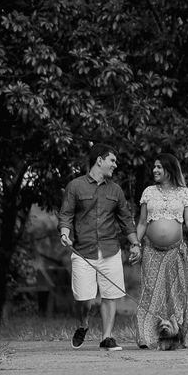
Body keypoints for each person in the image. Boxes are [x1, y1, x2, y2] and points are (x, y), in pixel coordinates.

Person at [58, 143, 142, 352]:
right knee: (83, 299)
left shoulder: (115, 190)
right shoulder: (75, 186)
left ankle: (107, 337)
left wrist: (135, 244)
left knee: (110, 295)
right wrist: (64, 234)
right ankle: (83, 324)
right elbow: (66, 215)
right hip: (83, 250)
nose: (115, 164)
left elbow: (126, 220)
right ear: (99, 160)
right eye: (112, 160)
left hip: (110, 249)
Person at [135, 153, 188, 349]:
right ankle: (146, 337)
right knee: (149, 291)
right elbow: (141, 223)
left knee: (176, 294)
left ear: (170, 170)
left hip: (175, 251)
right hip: (151, 251)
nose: (154, 170)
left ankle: (176, 336)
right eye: (154, 167)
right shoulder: (148, 192)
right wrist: (135, 244)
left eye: (159, 167)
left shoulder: (183, 193)